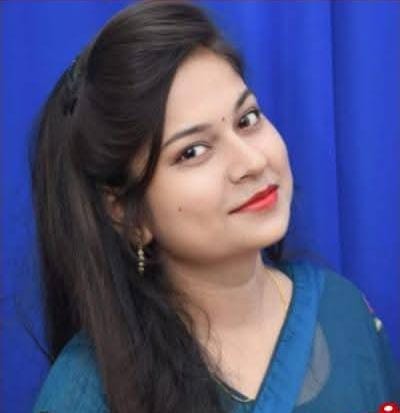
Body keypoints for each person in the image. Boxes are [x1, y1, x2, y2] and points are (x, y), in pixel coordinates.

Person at [30, 1, 400, 412]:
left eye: (248, 119)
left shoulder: (344, 314)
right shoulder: (87, 393)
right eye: (193, 151)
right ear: (126, 214)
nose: (252, 162)